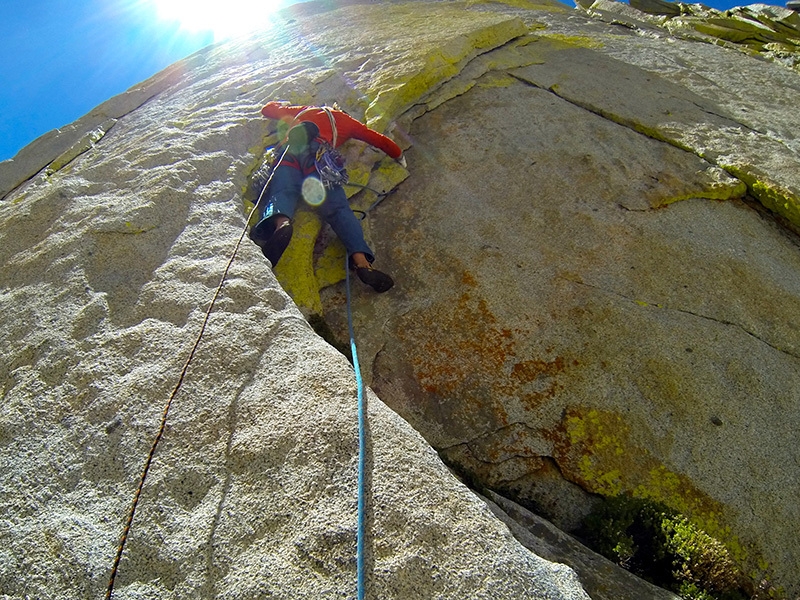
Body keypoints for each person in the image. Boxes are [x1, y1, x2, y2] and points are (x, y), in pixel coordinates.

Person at [249, 101, 406, 293]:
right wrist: (398, 156)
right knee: (338, 210)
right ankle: (362, 263)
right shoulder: (346, 122)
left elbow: (267, 110)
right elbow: (379, 140)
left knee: (282, 191)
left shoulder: (304, 110)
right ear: (340, 110)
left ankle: (282, 225)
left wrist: (283, 105)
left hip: (288, 153)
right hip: (318, 157)